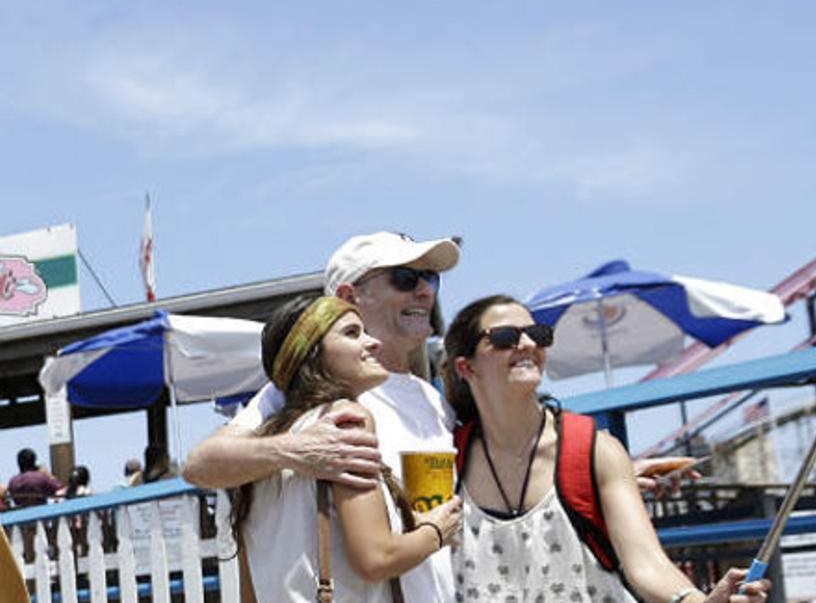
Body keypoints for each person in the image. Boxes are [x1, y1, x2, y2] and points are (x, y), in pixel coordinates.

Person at [185, 231, 464, 601]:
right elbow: (200, 465)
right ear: (350, 296)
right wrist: (297, 451)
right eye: (405, 278)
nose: (426, 292)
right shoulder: (320, 403)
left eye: (431, 278)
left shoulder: (432, 400)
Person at [442, 294, 770, 603]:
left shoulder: (595, 451)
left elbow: (646, 565)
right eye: (504, 337)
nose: (528, 344)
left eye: (538, 334)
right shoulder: (445, 459)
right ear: (466, 368)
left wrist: (697, 600)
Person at [232, 294, 463, 601]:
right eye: (353, 333)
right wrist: (435, 532)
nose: (373, 343)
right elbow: (374, 558)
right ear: (312, 353)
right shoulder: (346, 420)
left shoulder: (261, 447)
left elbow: (249, 590)